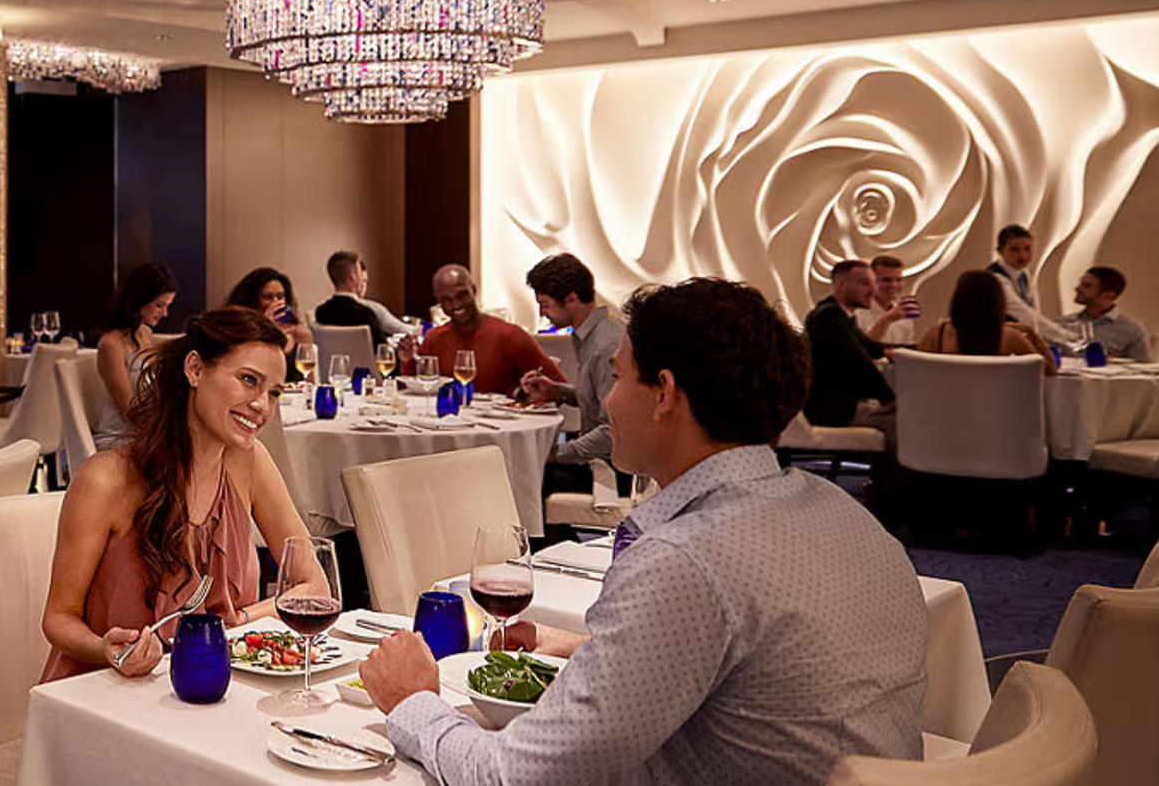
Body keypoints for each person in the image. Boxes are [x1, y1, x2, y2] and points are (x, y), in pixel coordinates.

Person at [358, 277, 929, 786]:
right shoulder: (843, 510)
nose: (606, 401)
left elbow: (515, 777)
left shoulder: (684, 559)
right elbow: (762, 675)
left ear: (664, 393)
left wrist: (410, 702)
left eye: (617, 377)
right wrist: (586, 650)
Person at [40, 307, 312, 680]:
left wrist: (236, 621)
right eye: (249, 380)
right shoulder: (107, 479)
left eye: (274, 393)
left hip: (211, 691)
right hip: (105, 693)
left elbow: (313, 583)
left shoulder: (250, 462)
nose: (262, 406)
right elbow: (58, 617)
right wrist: (106, 649)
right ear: (195, 369)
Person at [523, 254, 621, 463]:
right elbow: (598, 398)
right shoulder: (590, 336)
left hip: (610, 469)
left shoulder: (605, 346)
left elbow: (613, 430)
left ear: (571, 299)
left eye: (546, 304)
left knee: (524, 467)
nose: (542, 313)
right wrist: (556, 391)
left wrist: (555, 455)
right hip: (597, 454)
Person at [417, 264, 563, 395]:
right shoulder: (434, 338)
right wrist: (406, 360)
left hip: (505, 422)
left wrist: (523, 397)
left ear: (473, 291)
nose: (456, 304)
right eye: (446, 299)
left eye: (462, 294)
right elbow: (419, 387)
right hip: (449, 421)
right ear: (438, 301)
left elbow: (558, 386)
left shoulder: (510, 335)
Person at [803, 260, 895, 442]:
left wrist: (912, 350)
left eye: (873, 283)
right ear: (841, 284)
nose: (872, 290)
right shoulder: (827, 317)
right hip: (830, 410)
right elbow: (858, 359)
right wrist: (888, 398)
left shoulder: (839, 316)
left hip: (838, 405)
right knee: (901, 423)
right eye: (865, 283)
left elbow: (872, 347)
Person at [93, 263, 179, 450]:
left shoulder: (145, 334)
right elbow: (129, 411)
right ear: (140, 299)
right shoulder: (111, 344)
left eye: (167, 306)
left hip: (145, 433)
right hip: (120, 438)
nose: (165, 314)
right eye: (159, 305)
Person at [917, 270, 1054, 374]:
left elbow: (914, 371)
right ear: (997, 302)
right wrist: (1033, 334)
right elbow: (1049, 371)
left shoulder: (937, 335)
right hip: (996, 409)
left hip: (945, 408)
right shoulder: (1009, 337)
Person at [313, 250, 412, 349]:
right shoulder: (365, 315)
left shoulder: (321, 313)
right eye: (360, 271)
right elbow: (383, 353)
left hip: (332, 364)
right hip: (367, 365)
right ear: (352, 278)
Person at [987, 224, 1063, 341]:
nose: (1023, 255)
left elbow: (1033, 311)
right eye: (1014, 250)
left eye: (1027, 248)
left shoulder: (1024, 273)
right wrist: (1065, 336)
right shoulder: (996, 278)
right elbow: (1024, 313)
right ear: (1000, 251)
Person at [1060, 265, 1151, 361]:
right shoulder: (1063, 324)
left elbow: (1143, 368)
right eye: (1080, 284)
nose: (1077, 288)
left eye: (1086, 286)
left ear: (1108, 295)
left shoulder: (1132, 329)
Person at [225, 266, 312, 349]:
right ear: (253, 301)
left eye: (280, 296)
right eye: (267, 297)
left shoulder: (297, 333)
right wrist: (266, 325)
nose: (275, 302)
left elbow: (308, 361)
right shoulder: (242, 333)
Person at [854, 255, 918, 345]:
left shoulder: (904, 316)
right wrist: (886, 321)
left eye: (898, 280)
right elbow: (858, 351)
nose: (894, 285)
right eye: (886, 280)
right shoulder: (856, 313)